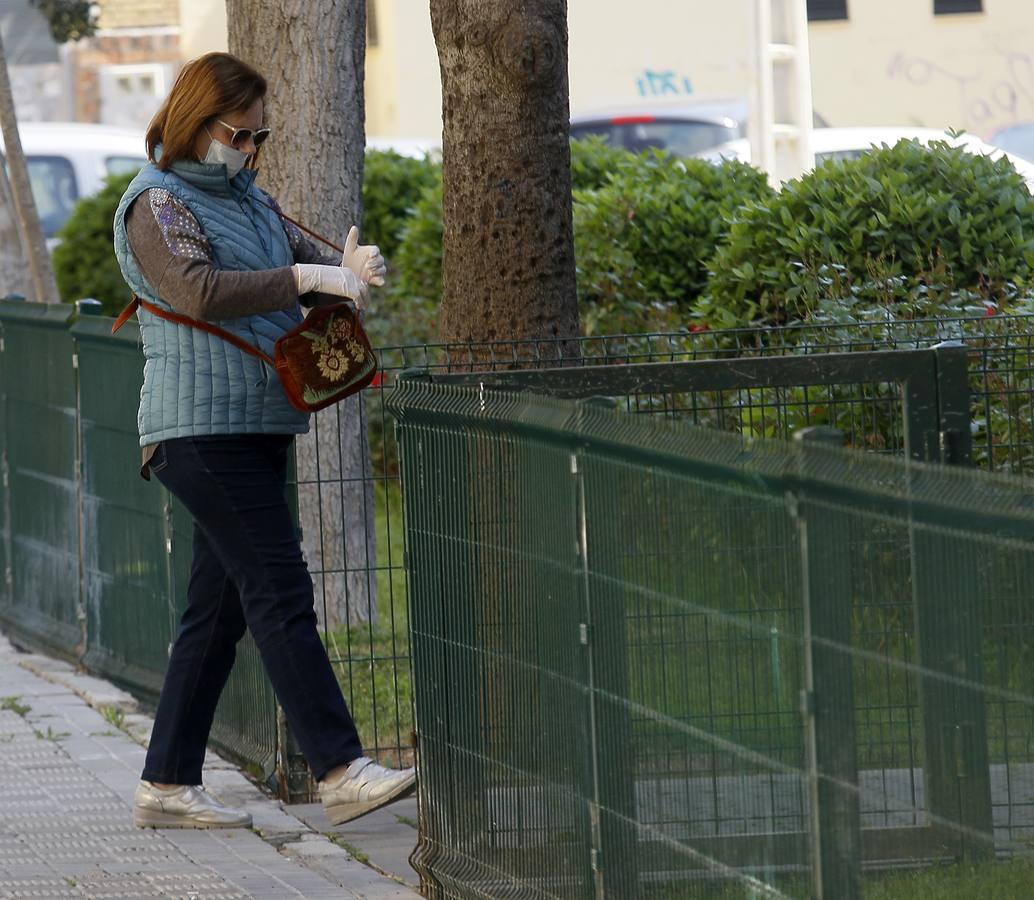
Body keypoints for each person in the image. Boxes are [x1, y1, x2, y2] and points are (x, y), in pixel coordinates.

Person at [112, 51, 414, 830]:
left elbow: (312, 266)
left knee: (216, 615)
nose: (248, 150)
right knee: (280, 590)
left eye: (259, 137)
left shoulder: (251, 199)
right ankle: (340, 767)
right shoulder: (156, 203)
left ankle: (167, 784)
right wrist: (310, 281)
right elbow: (197, 290)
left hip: (255, 422)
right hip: (198, 430)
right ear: (194, 121)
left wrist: (347, 268)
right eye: (237, 134)